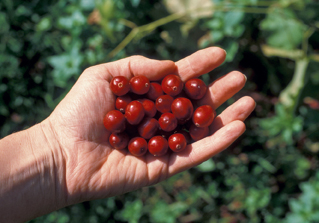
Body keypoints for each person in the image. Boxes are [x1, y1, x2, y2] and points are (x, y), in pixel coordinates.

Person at [0, 47, 255, 223]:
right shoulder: (132, 115)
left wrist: (58, 153)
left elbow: (163, 119)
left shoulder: (164, 113)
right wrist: (58, 148)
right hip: (141, 138)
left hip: (146, 137)